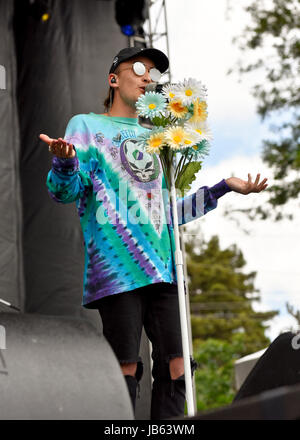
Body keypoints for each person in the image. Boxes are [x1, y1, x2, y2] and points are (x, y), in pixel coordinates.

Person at [40, 47, 268, 419]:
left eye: (156, 74)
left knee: (179, 368)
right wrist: (65, 162)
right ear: (114, 79)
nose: (149, 78)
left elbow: (167, 215)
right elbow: (64, 191)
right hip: (117, 268)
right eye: (141, 68)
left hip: (164, 268)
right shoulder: (87, 126)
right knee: (124, 367)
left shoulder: (159, 139)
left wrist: (223, 187)